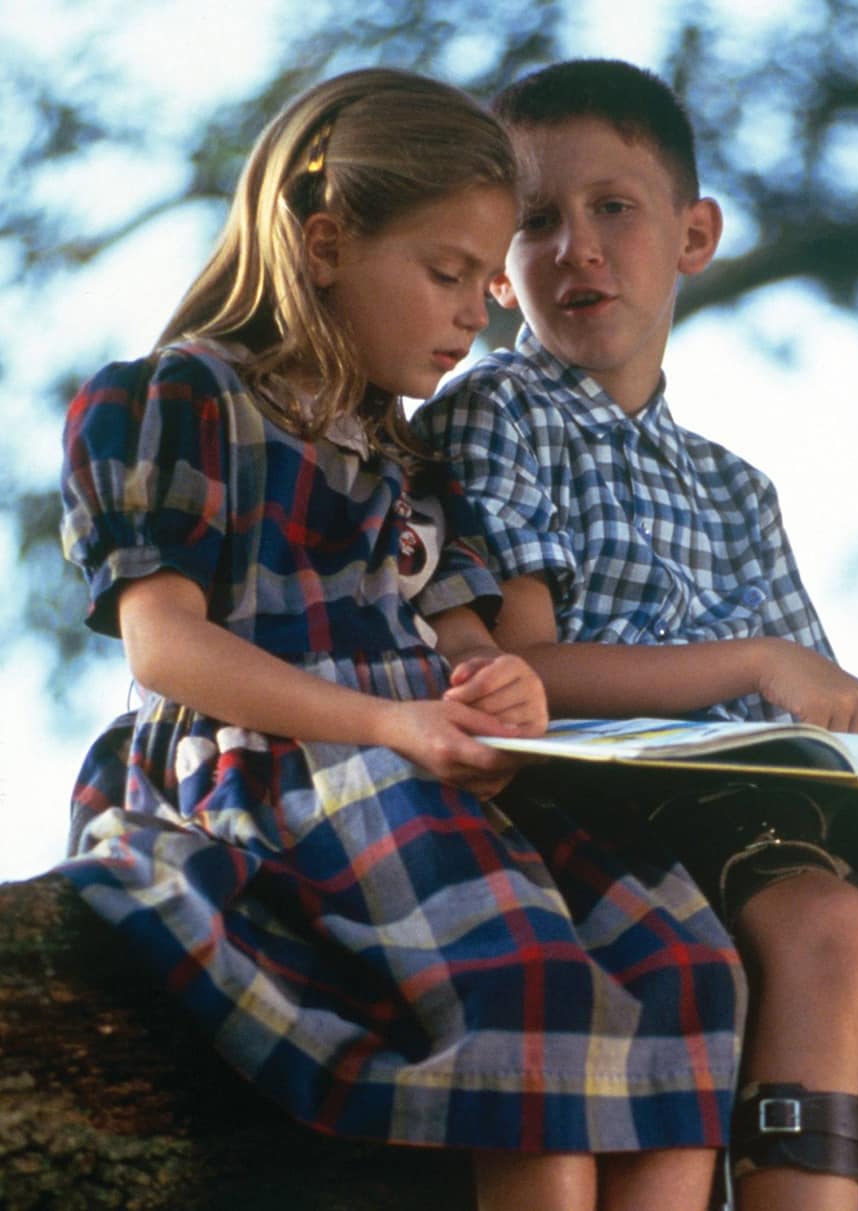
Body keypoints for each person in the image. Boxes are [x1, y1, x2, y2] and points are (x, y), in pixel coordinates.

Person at [415, 58, 858, 1211]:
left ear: (694, 236)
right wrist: (750, 665)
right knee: (831, 927)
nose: (576, 248)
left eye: (614, 209)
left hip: (785, 775)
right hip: (645, 781)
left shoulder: (736, 484)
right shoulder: (498, 412)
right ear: (498, 266)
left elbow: (818, 693)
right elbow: (525, 672)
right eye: (536, 222)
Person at [57, 67, 747, 1211]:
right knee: (530, 982)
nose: (479, 312)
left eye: (486, 280)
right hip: (271, 754)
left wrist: (505, 690)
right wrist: (392, 721)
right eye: (446, 274)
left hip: (425, 756)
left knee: (686, 957)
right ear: (325, 244)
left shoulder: (409, 459)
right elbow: (164, 648)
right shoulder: (175, 399)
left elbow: (470, 647)